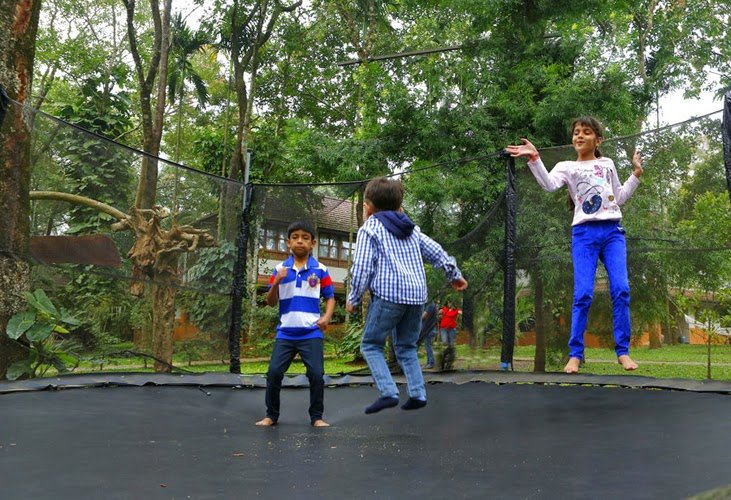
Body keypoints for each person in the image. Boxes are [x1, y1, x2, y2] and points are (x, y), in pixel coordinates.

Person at [506, 115, 643, 374]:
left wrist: (636, 174)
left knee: (621, 289)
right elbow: (548, 185)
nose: (580, 135)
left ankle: (623, 351)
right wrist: (534, 158)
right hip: (584, 234)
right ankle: (575, 354)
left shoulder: (607, 164)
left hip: (612, 233)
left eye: (586, 132)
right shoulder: (566, 166)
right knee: (583, 294)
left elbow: (619, 197)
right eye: (577, 132)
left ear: (597, 140)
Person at [346, 177, 468, 413]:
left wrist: (354, 297)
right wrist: (454, 274)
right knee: (407, 347)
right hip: (416, 298)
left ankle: (388, 392)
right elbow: (436, 251)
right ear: (400, 207)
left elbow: (362, 267)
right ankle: (418, 394)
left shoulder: (369, 229)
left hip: (389, 297)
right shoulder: (412, 230)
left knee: (371, 345)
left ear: (368, 208)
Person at [256, 220, 335, 427]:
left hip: (311, 333)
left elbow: (330, 297)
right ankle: (271, 415)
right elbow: (270, 302)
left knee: (316, 375)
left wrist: (326, 317)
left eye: (305, 238)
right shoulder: (279, 269)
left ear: (313, 243)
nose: (300, 241)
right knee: (274, 373)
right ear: (288, 242)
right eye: (295, 237)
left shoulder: (320, 269)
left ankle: (317, 417)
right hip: (286, 333)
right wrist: (276, 282)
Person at [417, 299, 439, 369]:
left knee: (428, 347)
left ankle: (431, 363)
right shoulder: (431, 305)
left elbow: (424, 316)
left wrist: (415, 319)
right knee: (427, 346)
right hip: (428, 330)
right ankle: (429, 362)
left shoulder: (430, 305)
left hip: (429, 330)